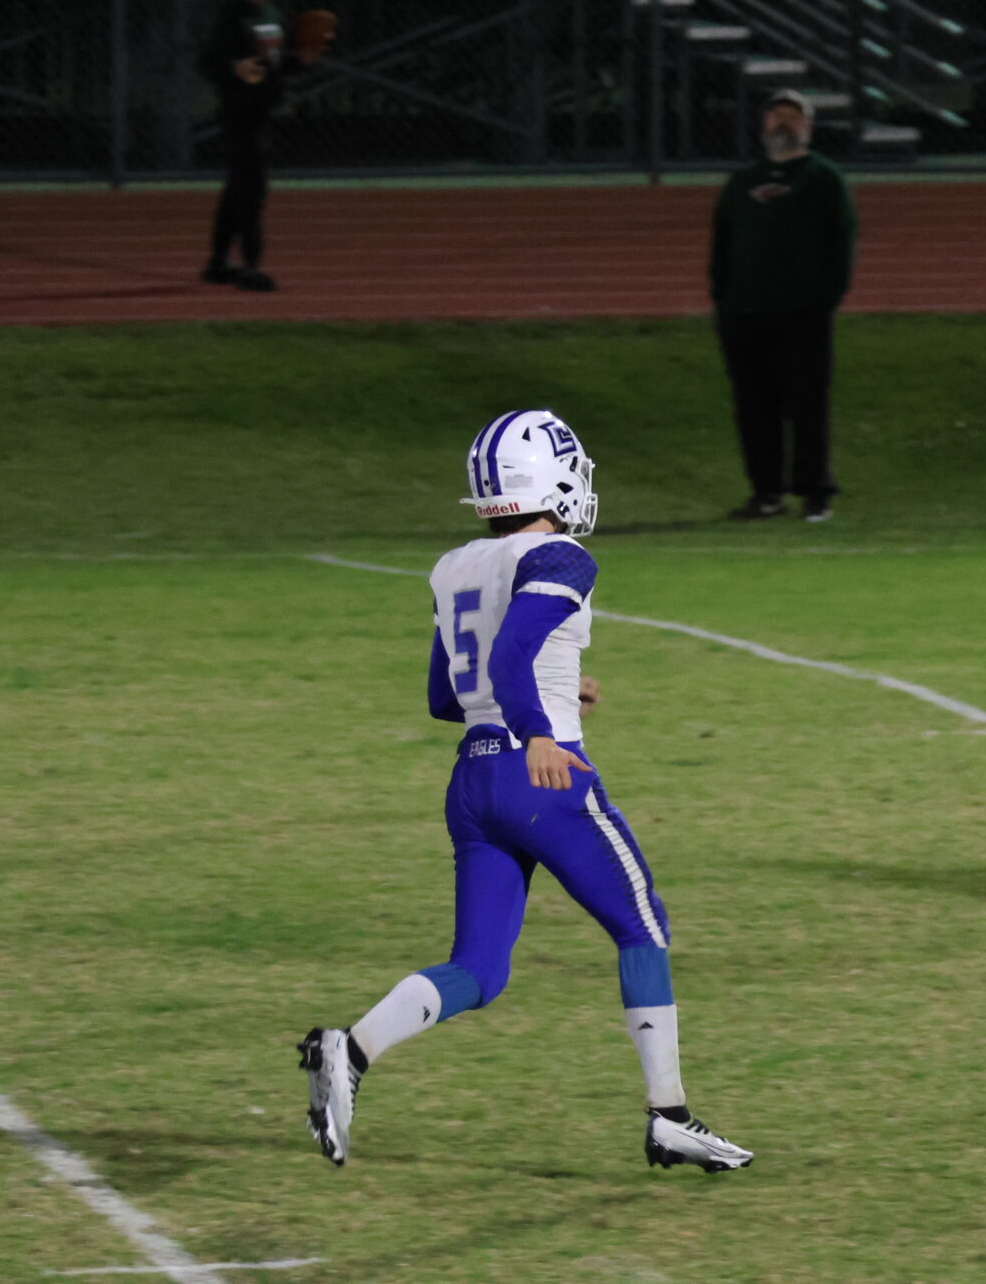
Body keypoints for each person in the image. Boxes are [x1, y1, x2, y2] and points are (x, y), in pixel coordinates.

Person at [299, 410, 752, 1176]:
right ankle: (669, 1117)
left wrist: (558, 694)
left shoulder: (453, 564)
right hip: (540, 778)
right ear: (550, 478)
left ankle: (352, 1048)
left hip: (472, 780)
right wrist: (542, 728)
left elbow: (446, 695)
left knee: (479, 969)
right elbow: (511, 657)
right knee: (642, 924)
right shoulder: (561, 555)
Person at [710, 91, 855, 522]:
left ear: (808, 127)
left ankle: (815, 491)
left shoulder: (823, 178)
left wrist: (824, 297)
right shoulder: (742, 182)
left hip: (803, 313)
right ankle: (765, 492)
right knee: (754, 407)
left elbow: (841, 242)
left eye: (793, 117)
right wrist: (725, 299)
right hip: (744, 314)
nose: (783, 124)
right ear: (763, 126)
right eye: (776, 117)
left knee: (807, 406)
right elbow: (722, 243)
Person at [196, 0, 311, 293]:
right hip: (239, 111)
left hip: (262, 111)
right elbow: (208, 61)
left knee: (238, 187)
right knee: (252, 188)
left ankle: (218, 263)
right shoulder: (232, 14)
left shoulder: (272, 14)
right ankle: (251, 266)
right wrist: (235, 68)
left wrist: (300, 58)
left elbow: (275, 63)